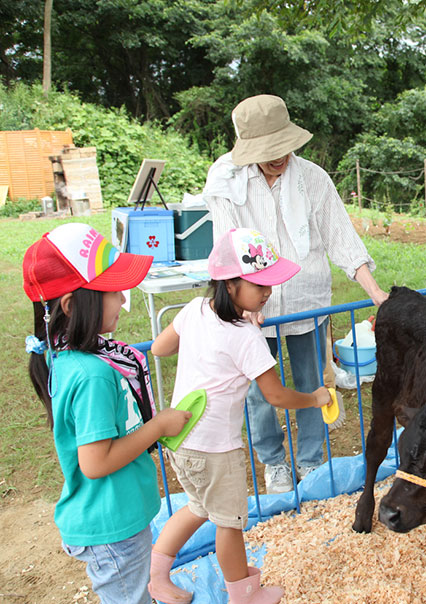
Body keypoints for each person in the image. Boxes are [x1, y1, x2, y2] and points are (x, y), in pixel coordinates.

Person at [202, 94, 388, 493]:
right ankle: (273, 462)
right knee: (259, 389)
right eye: (267, 151)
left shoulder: (313, 178)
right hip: (251, 305)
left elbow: (341, 236)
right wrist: (240, 303)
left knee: (310, 381)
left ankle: (311, 460)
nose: (278, 157)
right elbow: (228, 244)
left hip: (306, 300)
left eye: (282, 147)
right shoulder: (225, 180)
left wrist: (374, 291)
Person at [147, 227, 333, 604]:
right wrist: (314, 398)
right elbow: (276, 395)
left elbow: (159, 348)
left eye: (269, 283)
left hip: (181, 441)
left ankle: (155, 576)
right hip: (216, 450)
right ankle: (243, 595)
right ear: (230, 285)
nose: (268, 291)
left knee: (197, 507)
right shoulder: (246, 337)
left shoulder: (195, 309)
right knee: (229, 523)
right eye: (259, 284)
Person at [23, 223, 192, 604]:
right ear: (71, 305)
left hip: (116, 515)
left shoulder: (69, 357)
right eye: (112, 291)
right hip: (112, 525)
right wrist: (158, 426)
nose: (122, 298)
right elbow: (95, 462)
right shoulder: (92, 374)